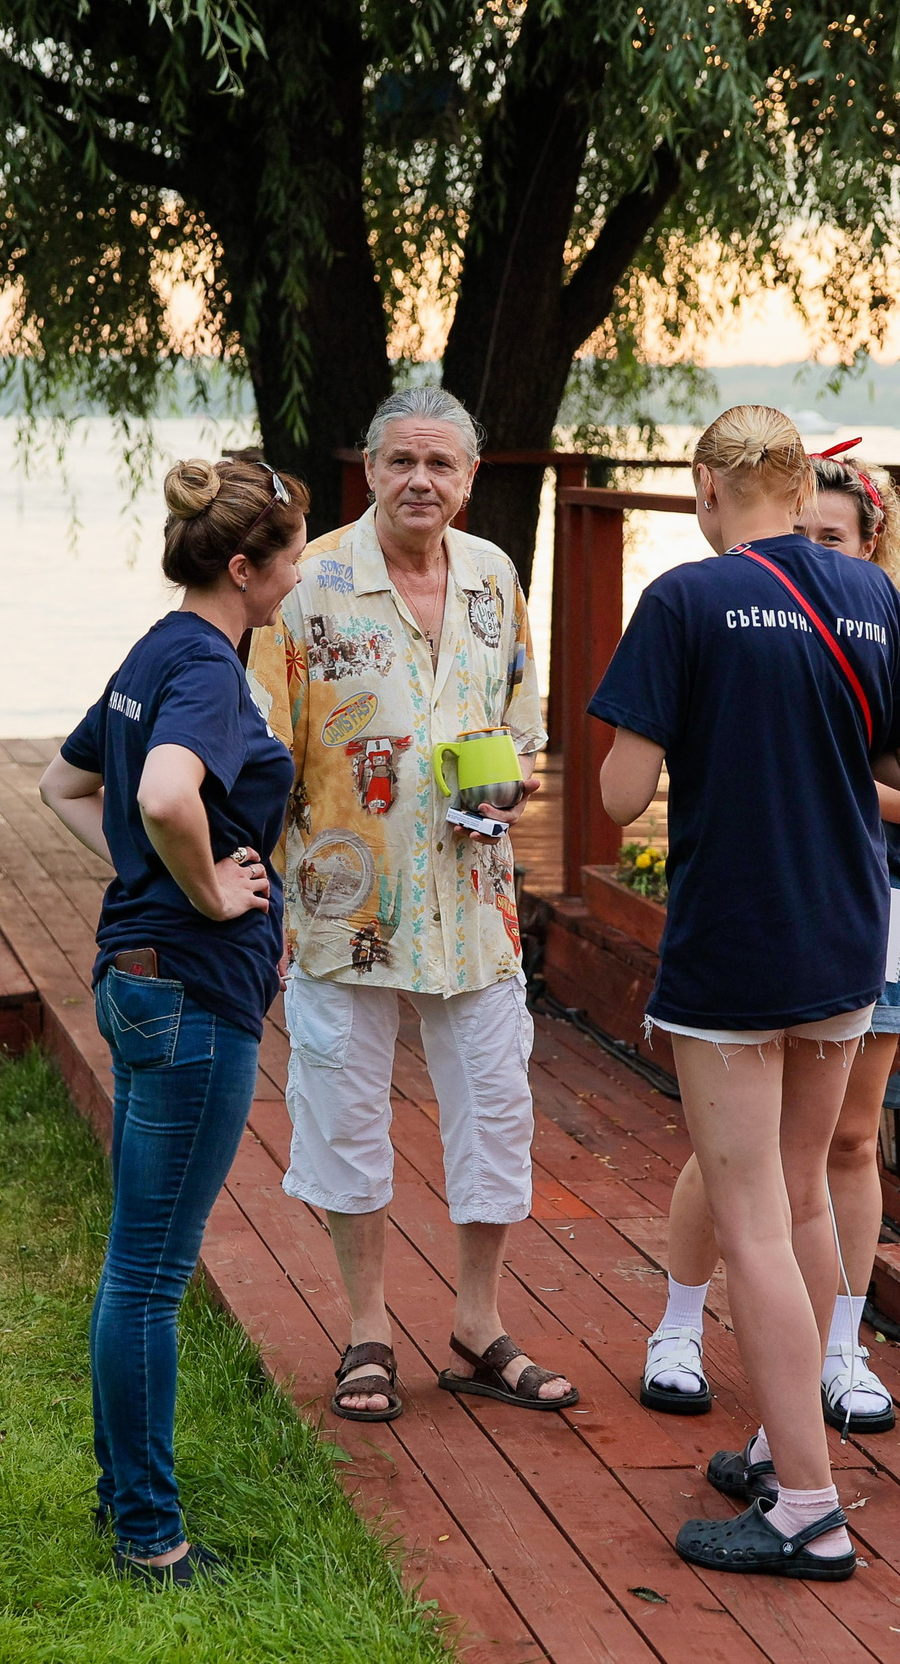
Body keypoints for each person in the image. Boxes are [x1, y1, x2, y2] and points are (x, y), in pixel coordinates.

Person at [593, 406, 900, 1578]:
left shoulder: (685, 602)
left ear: (706, 484)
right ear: (801, 486)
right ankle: (781, 1447)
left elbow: (616, 796)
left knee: (751, 1221)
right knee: (800, 1203)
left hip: (734, 945)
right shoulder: (869, 598)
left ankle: (806, 1502)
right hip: (846, 939)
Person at [248, 385, 573, 1426]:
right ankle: (366, 1329)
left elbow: (522, 721)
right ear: (370, 470)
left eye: (441, 466)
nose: (420, 482)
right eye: (401, 463)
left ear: (470, 480)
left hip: (474, 905)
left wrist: (513, 783)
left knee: (494, 1112)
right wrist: (259, 900)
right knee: (345, 1121)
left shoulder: (493, 575)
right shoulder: (308, 589)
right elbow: (261, 755)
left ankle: (478, 1328)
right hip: (342, 903)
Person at [38, 456, 308, 1585]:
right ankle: (150, 1537)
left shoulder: (156, 649)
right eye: (291, 554)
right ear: (244, 568)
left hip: (139, 983)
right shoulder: (204, 667)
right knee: (149, 1277)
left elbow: (64, 784)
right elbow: (156, 795)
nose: (301, 570)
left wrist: (151, 886)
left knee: (131, 1268)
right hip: (192, 996)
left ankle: (125, 1507)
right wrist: (204, 892)